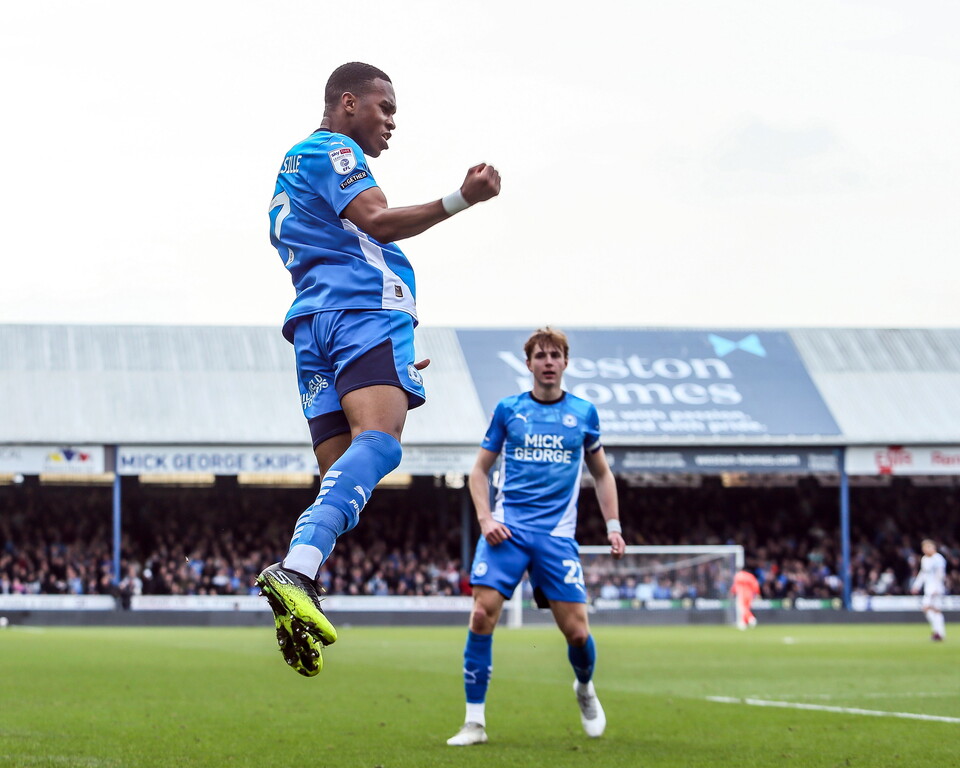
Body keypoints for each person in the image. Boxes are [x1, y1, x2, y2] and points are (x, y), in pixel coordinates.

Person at [258, 62, 501, 677]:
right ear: (347, 103)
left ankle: (300, 584)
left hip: (315, 327)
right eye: (384, 108)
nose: (391, 123)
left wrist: (378, 367)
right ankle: (295, 571)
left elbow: (334, 242)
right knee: (382, 447)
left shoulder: (288, 175)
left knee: (341, 473)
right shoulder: (332, 150)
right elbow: (379, 222)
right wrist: (461, 198)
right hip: (363, 312)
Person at [446, 327, 625, 746]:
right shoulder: (509, 410)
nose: (548, 362)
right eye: (540, 355)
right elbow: (478, 472)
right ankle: (475, 722)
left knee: (578, 634)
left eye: (555, 355)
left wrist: (613, 527)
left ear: (565, 362)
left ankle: (584, 687)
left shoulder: (584, 413)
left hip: (556, 537)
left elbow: (601, 473)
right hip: (507, 532)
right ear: (528, 364)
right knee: (480, 614)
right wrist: (487, 519)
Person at [910, 539, 947, 641]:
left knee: (932, 609)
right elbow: (923, 573)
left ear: (932, 547)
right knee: (931, 609)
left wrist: (937, 587)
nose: (924, 550)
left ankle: (939, 632)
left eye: (926, 547)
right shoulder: (925, 559)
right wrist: (916, 585)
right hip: (928, 588)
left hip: (936, 588)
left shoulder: (938, 559)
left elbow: (941, 575)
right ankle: (938, 632)